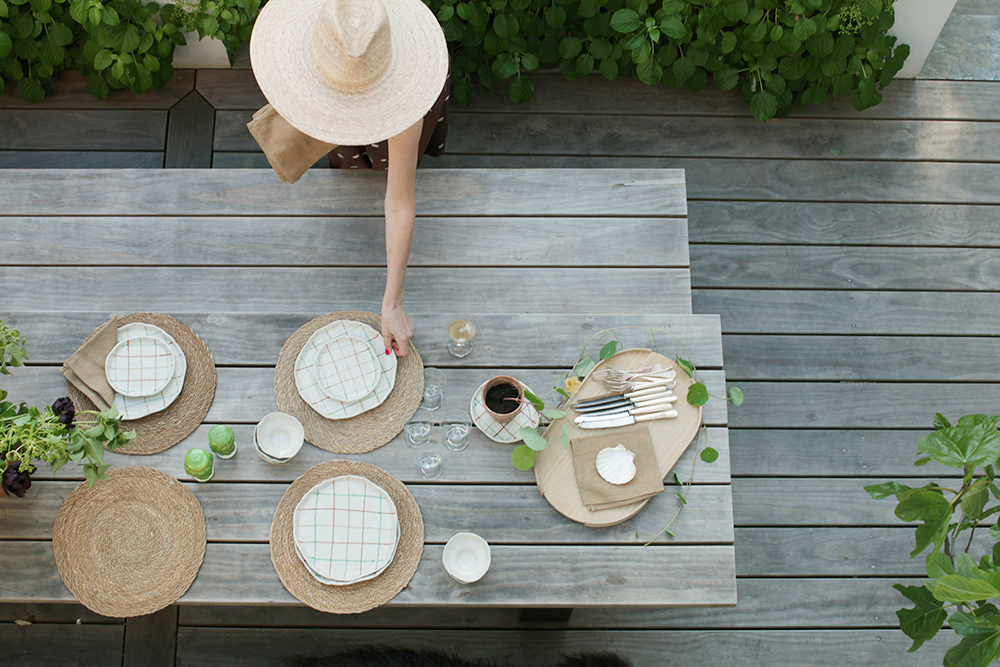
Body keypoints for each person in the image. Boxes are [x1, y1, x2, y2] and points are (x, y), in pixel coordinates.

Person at [249, 0, 450, 357]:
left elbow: (399, 200)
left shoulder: (401, 100)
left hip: (388, 67)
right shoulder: (334, 26)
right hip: (347, 49)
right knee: (348, 158)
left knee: (396, 161)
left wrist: (392, 303)